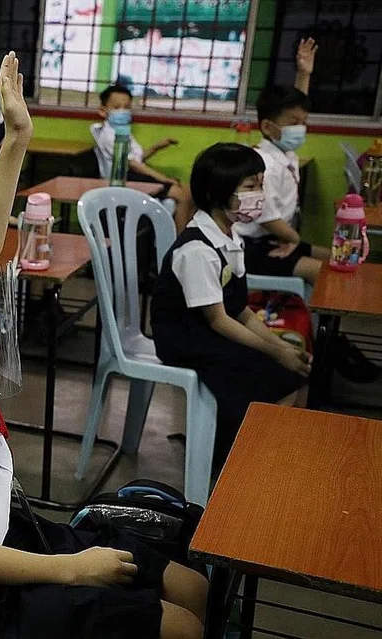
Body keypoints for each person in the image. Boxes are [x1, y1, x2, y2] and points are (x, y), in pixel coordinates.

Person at [0, 52, 208, 639]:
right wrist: (71, 570)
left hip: (12, 529)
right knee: (180, 625)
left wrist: (18, 137)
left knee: (192, 584)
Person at [151, 143, 311, 468]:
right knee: (278, 378)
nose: (259, 195)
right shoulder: (197, 249)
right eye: (250, 187)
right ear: (217, 192)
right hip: (186, 340)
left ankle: (247, 452)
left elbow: (240, 310)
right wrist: (276, 353)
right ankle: (234, 463)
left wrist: (277, 344)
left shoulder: (230, 238)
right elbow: (219, 320)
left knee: (291, 368)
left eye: (260, 184)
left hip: (211, 329)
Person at [234, 38, 330, 285]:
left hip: (275, 238)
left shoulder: (283, 152)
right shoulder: (261, 163)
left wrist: (303, 75)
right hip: (249, 248)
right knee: (323, 273)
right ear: (268, 127)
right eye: (294, 124)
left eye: (304, 123)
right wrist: (294, 239)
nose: (300, 129)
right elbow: (266, 217)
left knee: (335, 259)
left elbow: (295, 108)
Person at [91, 84, 195, 231]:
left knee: (189, 191)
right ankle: (179, 247)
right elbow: (133, 164)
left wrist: (157, 147)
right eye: (117, 107)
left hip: (134, 174)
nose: (123, 111)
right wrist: (163, 178)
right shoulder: (110, 135)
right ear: (103, 111)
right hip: (126, 178)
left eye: (126, 107)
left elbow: (137, 158)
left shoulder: (122, 130)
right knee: (183, 196)